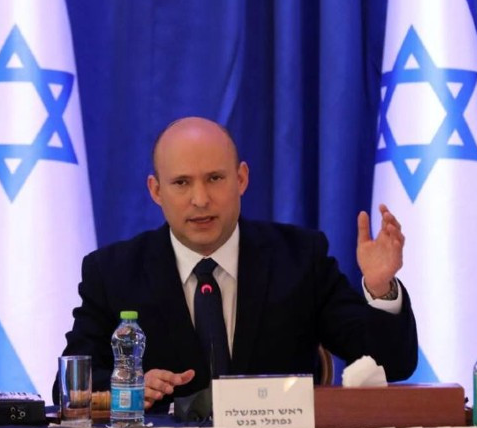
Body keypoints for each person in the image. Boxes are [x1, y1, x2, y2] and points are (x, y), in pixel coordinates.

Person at [55, 117, 417, 411]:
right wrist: (130, 387)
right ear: (156, 191)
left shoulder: (299, 258)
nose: (200, 199)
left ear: (241, 178)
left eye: (215, 178)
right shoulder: (114, 272)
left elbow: (393, 364)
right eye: (181, 183)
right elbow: (68, 388)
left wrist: (381, 287)